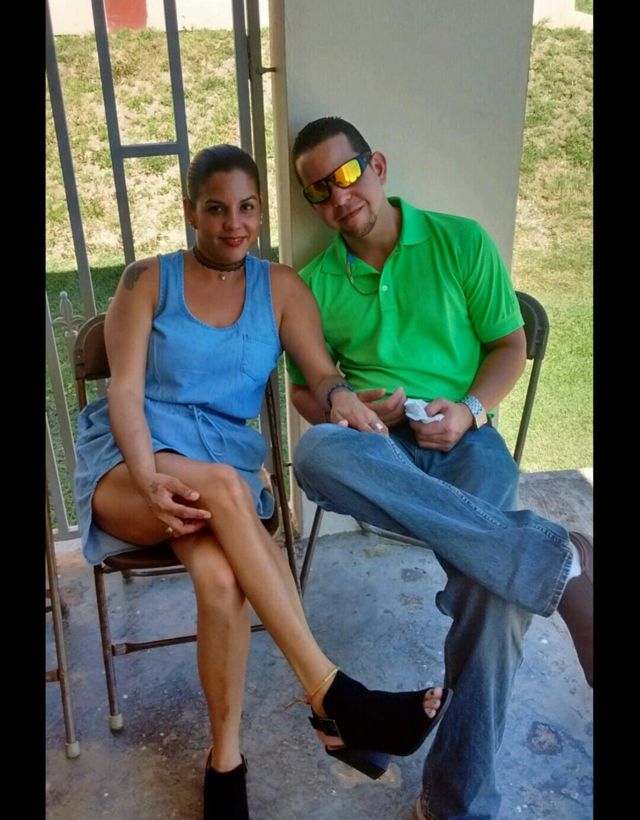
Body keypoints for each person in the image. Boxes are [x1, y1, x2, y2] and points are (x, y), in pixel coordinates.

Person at [72, 144, 453, 820]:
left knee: (222, 584)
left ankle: (225, 764)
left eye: (247, 208)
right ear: (191, 211)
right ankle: (336, 699)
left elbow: (322, 376)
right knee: (225, 485)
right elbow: (124, 393)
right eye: (216, 208)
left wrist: (342, 401)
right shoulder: (147, 280)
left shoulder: (280, 288)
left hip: (217, 469)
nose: (234, 224)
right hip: (131, 465)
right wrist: (150, 477)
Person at [287, 117, 593, 820]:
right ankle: (562, 560)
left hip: (464, 437)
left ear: (377, 166)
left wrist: (471, 411)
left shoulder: (460, 241)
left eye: (346, 174)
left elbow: (509, 345)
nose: (338, 198)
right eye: (319, 191)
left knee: (493, 597)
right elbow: (307, 389)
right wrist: (346, 404)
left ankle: (453, 805)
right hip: (377, 447)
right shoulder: (313, 284)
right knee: (317, 453)